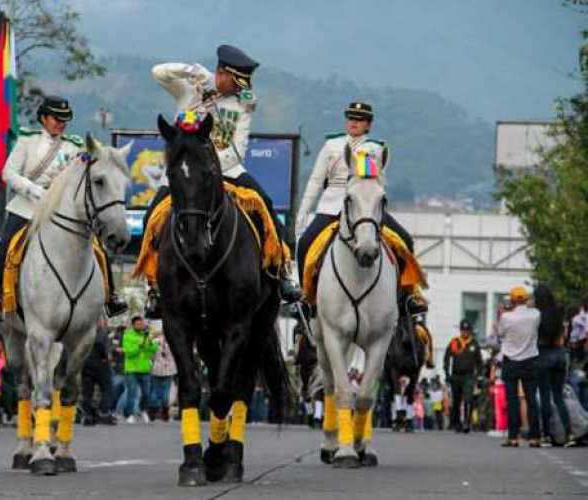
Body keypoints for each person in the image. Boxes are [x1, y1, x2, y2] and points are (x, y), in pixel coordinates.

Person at [145, 44, 302, 317]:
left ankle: (284, 271)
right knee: (151, 218)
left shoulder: (242, 104)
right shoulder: (191, 89)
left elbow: (238, 148)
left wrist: (211, 167)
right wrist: (190, 71)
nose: (237, 87)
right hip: (184, 172)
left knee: (265, 206)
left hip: (226, 171)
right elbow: (157, 73)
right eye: (234, 80)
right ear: (220, 74)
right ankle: (155, 287)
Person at [0, 95, 127, 323]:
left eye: (64, 119)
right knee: (6, 245)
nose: (61, 123)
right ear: (43, 118)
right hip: (27, 206)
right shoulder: (26, 141)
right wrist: (33, 190)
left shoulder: (74, 145)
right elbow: (8, 173)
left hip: (60, 209)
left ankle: (111, 296)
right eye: (56, 118)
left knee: (97, 246)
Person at [295, 102, 425, 314]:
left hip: (364, 206)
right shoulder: (331, 146)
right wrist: (303, 211)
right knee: (305, 243)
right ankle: (305, 296)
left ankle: (407, 296)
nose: (355, 123)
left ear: (368, 125)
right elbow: (316, 181)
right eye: (351, 118)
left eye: (360, 119)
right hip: (332, 204)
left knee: (404, 240)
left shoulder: (373, 149)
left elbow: (368, 182)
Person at [497, 286, 541, 447]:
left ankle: (513, 437)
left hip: (511, 360)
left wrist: (501, 313)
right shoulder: (536, 315)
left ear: (513, 300)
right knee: (531, 400)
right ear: (525, 299)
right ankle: (535, 437)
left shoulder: (507, 317)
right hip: (530, 359)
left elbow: (500, 334)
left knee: (512, 399)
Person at [534, 285, 576, 446]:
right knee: (559, 397)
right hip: (559, 355)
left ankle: (547, 435)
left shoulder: (538, 316)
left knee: (545, 397)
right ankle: (570, 433)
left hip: (543, 354)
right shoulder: (558, 313)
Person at [443, 319, 483, 433]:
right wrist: (446, 373)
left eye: (467, 330)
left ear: (470, 331)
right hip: (455, 376)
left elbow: (479, 362)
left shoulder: (474, 344)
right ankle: (457, 423)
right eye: (463, 330)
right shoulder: (454, 342)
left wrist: (479, 376)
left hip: (468, 376)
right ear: (460, 330)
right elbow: (446, 358)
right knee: (456, 400)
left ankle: (466, 422)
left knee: (468, 399)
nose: (465, 332)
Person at [121, 316, 158, 423]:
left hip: (145, 368)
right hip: (132, 369)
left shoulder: (147, 335)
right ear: (133, 325)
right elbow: (129, 352)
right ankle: (129, 414)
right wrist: (140, 345)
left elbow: (154, 350)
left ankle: (143, 410)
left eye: (141, 324)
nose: (140, 326)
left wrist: (150, 343)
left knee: (146, 393)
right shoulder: (128, 335)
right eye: (138, 324)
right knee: (132, 393)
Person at [80, 319, 116, 426]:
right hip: (100, 364)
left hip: (85, 364)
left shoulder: (83, 333)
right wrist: (107, 356)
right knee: (108, 389)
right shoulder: (101, 332)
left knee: (87, 392)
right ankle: (103, 413)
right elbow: (101, 345)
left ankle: (88, 415)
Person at [148, 327, 176, 422]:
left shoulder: (172, 340)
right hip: (160, 369)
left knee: (162, 392)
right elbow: (151, 354)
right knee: (159, 392)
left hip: (166, 369)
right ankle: (156, 411)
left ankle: (160, 411)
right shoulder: (156, 341)